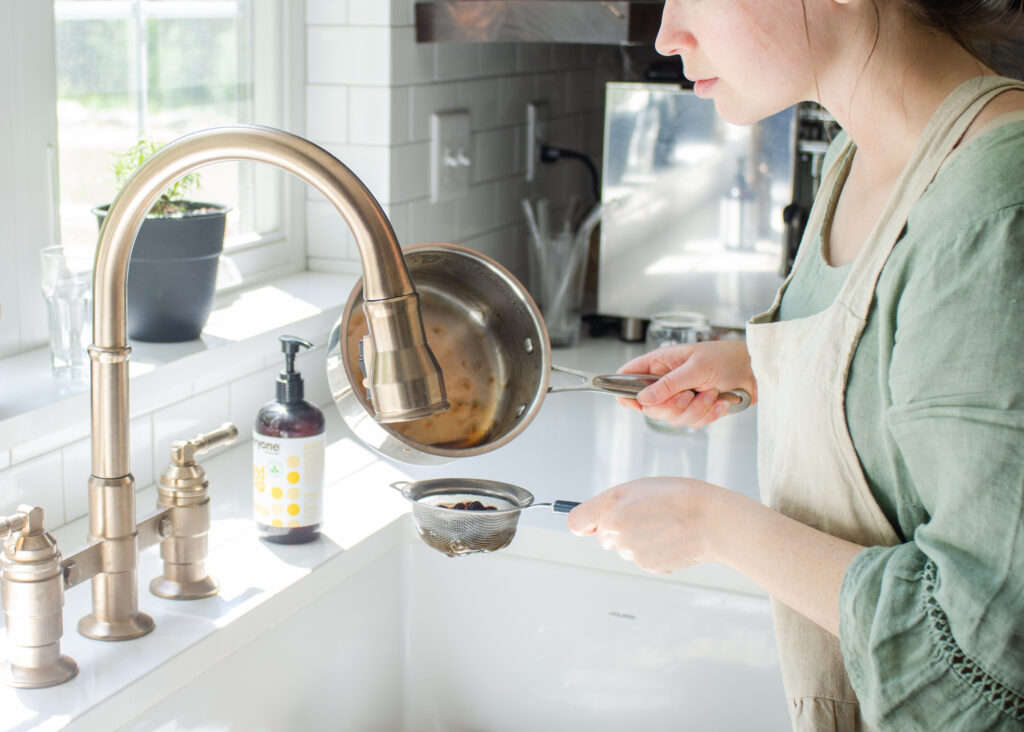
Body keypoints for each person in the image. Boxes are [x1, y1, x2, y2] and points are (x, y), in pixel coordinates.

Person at [566, 2, 1024, 730]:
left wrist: (712, 525)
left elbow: (983, 662)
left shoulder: (995, 206)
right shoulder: (860, 158)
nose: (666, 35)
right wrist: (753, 364)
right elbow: (898, 354)